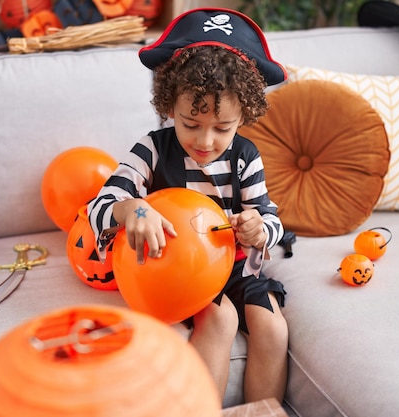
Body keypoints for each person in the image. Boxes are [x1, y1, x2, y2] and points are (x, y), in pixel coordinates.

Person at [88, 8, 289, 404]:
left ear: (243, 116)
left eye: (222, 128)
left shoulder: (246, 157)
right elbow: (102, 203)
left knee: (273, 328)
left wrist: (258, 227)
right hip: (180, 271)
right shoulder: (152, 148)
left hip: (234, 268)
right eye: (190, 124)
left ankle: (259, 412)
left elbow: (270, 218)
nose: (206, 141)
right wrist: (133, 209)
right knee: (221, 318)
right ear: (169, 108)